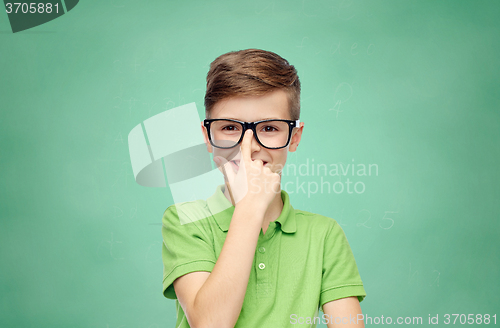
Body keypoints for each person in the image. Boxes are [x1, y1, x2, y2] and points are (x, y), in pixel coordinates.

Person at [161, 48, 366, 328]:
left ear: (294, 138)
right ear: (207, 138)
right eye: (230, 128)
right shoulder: (185, 220)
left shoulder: (324, 235)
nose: (250, 147)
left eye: (269, 129)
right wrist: (249, 208)